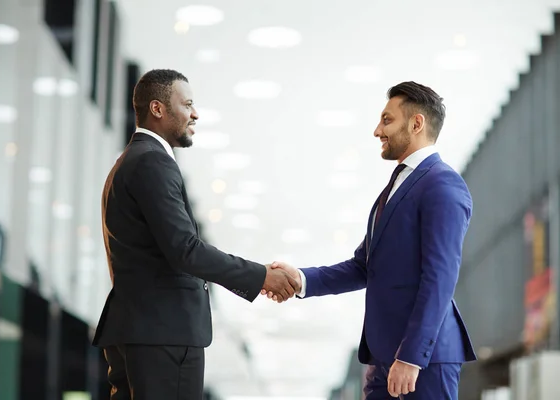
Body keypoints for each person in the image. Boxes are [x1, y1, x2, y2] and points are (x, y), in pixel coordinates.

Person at [92, 69, 300, 400]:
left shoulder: (130, 161)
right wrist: (261, 276)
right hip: (163, 334)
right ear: (158, 109)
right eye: (187, 104)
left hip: (144, 329)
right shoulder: (152, 162)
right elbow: (185, 249)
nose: (195, 113)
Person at [265, 82, 477, 399]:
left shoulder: (442, 184)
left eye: (387, 120)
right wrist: (301, 279)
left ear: (416, 123)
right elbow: (364, 267)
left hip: (422, 361)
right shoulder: (397, 185)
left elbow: (440, 277)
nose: (377, 131)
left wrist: (411, 356)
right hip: (383, 357)